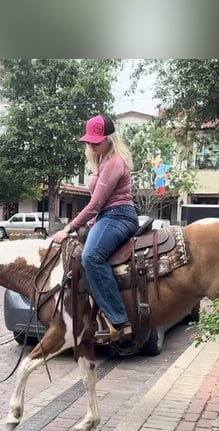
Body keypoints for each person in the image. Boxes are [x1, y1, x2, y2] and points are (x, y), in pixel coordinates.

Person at [53, 114, 139, 342]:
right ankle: (92, 312)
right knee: (77, 255)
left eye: (96, 141)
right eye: (89, 141)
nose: (91, 144)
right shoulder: (101, 160)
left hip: (119, 215)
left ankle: (120, 321)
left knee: (91, 256)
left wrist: (69, 228)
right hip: (105, 217)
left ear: (110, 139)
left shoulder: (114, 162)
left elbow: (96, 204)